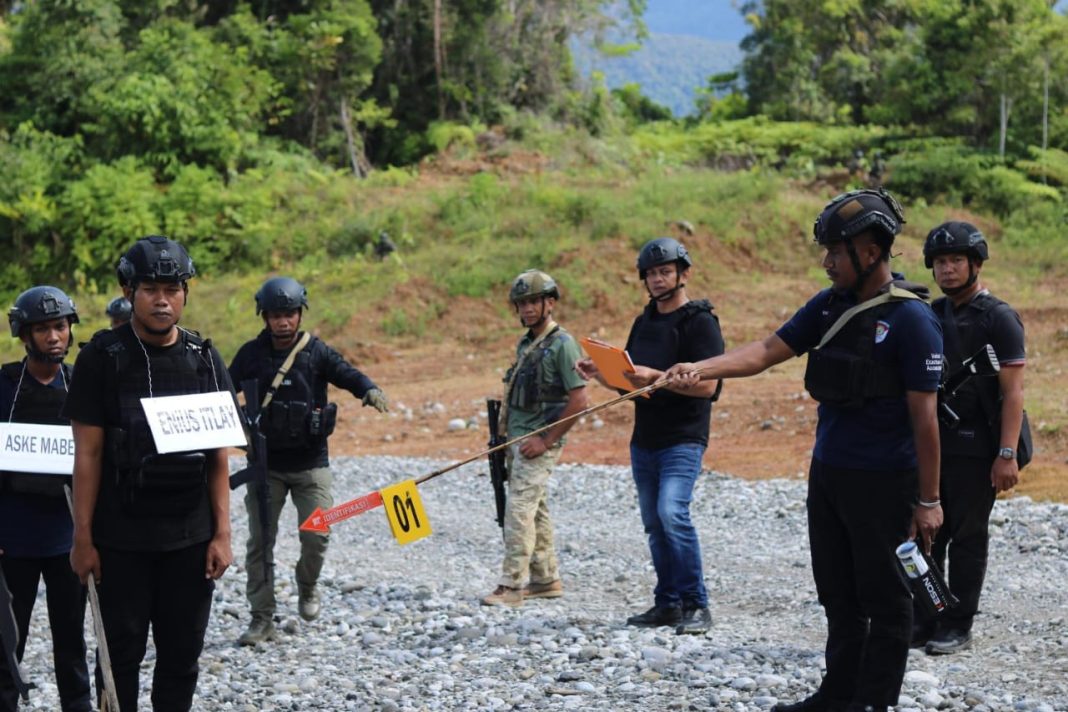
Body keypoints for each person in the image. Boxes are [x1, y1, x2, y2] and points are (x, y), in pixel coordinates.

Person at [666, 189, 944, 712]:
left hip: (885, 482)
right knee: (837, 592)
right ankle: (838, 694)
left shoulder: (912, 321)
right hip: (830, 475)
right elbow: (766, 351)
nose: (827, 262)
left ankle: (873, 701)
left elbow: (925, 419)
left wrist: (929, 501)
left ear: (870, 249)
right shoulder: (828, 305)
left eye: (835, 252)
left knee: (885, 600)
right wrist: (698, 369)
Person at [64, 235, 234, 712]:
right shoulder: (102, 357)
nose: (163, 299)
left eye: (174, 288)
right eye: (151, 289)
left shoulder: (204, 358)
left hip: (189, 539)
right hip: (121, 541)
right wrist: (82, 539)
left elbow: (218, 455)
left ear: (185, 293)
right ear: (128, 290)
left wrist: (222, 534)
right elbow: (88, 455)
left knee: (182, 658)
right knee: (118, 660)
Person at [228, 276, 389, 645]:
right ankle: (261, 617)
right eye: (275, 315)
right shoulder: (251, 355)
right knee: (260, 543)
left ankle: (308, 585)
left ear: (300, 314)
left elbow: (346, 373)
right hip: (265, 466)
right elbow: (221, 388)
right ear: (264, 317)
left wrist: (368, 390)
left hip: (311, 464)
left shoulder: (316, 352)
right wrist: (241, 428)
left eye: (290, 314)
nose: (283, 322)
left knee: (317, 534)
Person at [576, 237, 724, 634]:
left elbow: (709, 387)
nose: (658, 280)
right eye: (651, 274)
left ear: (683, 273)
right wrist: (601, 374)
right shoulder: (643, 322)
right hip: (645, 439)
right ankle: (668, 603)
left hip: (684, 437)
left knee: (672, 514)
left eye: (665, 271)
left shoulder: (700, 322)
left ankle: (697, 604)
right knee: (654, 523)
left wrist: (656, 378)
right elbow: (631, 383)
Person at [915, 221, 1025, 655]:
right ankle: (926, 618)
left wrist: (1006, 453)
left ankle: (958, 624)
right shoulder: (930, 314)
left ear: (975, 263)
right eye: (940, 262)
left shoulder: (998, 317)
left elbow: (1013, 391)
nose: (947, 269)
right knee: (924, 536)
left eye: (956, 260)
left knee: (966, 537)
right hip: (933, 445)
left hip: (979, 448)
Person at [1, 286, 92, 711]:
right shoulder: (4, 387)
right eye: (43, 329)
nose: (54, 336)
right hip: (13, 540)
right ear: (25, 334)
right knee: (6, 644)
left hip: (68, 540)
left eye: (60, 327)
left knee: (72, 640)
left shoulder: (83, 386)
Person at [481, 270, 587, 607]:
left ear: (550, 303)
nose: (527, 309)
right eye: (521, 303)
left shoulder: (563, 345)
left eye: (533, 302)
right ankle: (545, 578)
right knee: (535, 508)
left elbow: (579, 400)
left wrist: (545, 440)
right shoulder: (528, 343)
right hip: (517, 438)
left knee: (518, 511)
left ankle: (512, 585)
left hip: (538, 441)